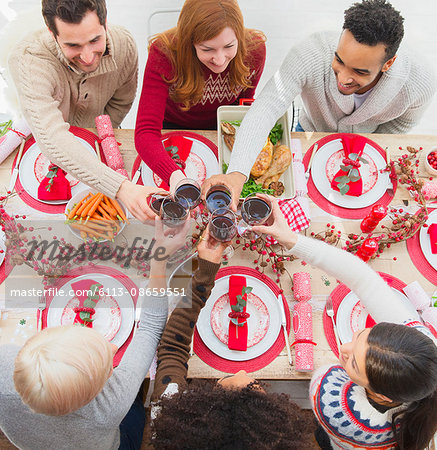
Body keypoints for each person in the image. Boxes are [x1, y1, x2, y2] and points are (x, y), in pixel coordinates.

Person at [202, 0, 436, 209]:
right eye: (339, 60)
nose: (343, 78)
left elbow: (397, 130)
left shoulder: (421, 83)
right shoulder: (310, 52)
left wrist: (362, 154)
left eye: (359, 72)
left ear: (389, 63)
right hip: (308, 133)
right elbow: (267, 107)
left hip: (364, 149)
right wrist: (237, 172)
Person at [252, 195, 437, 450]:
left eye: (352, 363)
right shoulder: (422, 349)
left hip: (342, 436)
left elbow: (322, 375)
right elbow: (364, 278)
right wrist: (292, 239)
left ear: (382, 395)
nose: (344, 348)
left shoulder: (334, 403)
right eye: (363, 335)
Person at [0, 217, 190, 449]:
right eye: (109, 365)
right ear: (99, 390)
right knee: (134, 411)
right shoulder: (111, 405)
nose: (112, 349)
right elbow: (151, 327)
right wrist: (158, 258)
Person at [149, 228, 317, 449]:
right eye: (257, 386)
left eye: (223, 387)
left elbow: (172, 346)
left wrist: (205, 272)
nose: (242, 370)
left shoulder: (168, 415)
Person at [8, 0, 156, 222]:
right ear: (52, 33)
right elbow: (51, 137)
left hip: (101, 144)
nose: (87, 57)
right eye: (73, 45)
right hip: (47, 150)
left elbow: (120, 102)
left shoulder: (124, 45)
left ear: (105, 22)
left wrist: (102, 138)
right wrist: (122, 187)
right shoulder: (28, 61)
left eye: (95, 40)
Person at [135, 0, 266, 191]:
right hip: (171, 127)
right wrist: (176, 177)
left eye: (229, 46)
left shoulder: (255, 50)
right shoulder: (164, 53)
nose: (220, 60)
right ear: (190, 42)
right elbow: (145, 131)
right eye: (207, 49)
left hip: (222, 130)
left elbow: (241, 106)